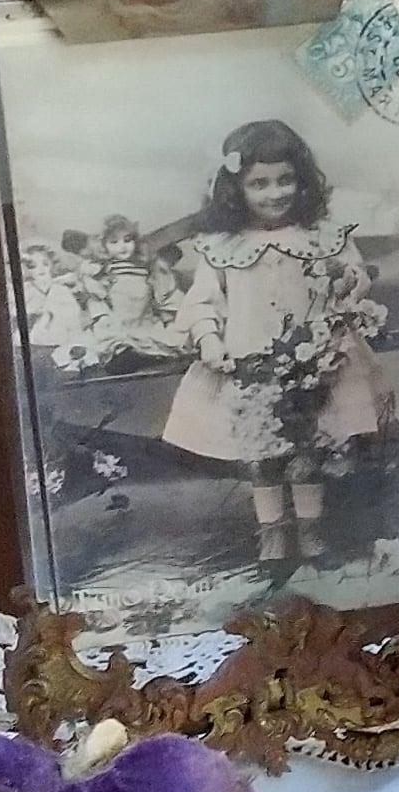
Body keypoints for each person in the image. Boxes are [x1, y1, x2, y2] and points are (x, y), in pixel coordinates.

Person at [159, 119, 386, 577]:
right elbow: (203, 301)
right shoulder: (223, 246)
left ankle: (311, 534)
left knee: (309, 451)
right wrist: (209, 339)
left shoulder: (322, 235)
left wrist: (346, 281)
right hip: (252, 367)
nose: (275, 193)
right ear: (235, 188)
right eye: (259, 184)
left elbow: (355, 280)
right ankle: (273, 539)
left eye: (286, 180)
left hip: (314, 363)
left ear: (303, 181)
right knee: (262, 455)